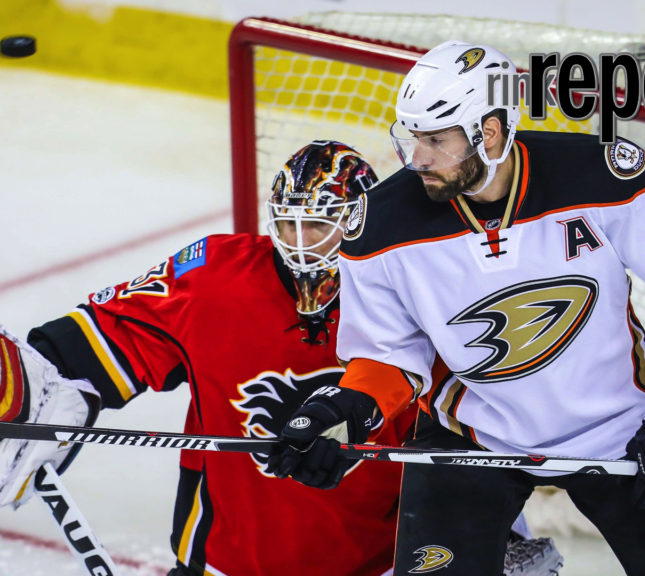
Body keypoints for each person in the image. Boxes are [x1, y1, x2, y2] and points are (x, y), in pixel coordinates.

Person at [268, 41, 645, 576]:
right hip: (469, 434)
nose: (415, 158)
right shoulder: (380, 227)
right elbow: (390, 354)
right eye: (411, 137)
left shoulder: (601, 178)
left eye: (435, 139)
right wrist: (344, 411)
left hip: (618, 428)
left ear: (488, 132)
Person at [0, 140, 560, 576]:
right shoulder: (214, 278)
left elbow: (479, 420)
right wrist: (32, 381)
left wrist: (488, 526)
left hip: (380, 559)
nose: (299, 240)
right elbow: (105, 336)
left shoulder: (416, 287)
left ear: (360, 220)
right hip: (226, 561)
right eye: (288, 221)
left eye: (318, 223)